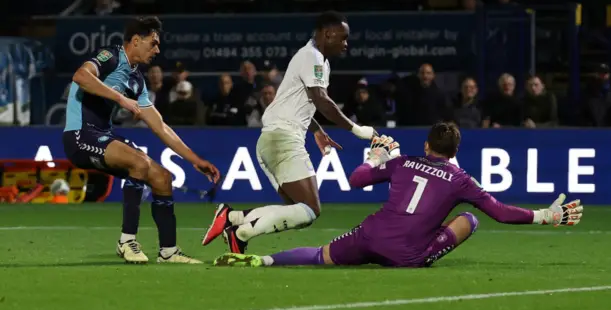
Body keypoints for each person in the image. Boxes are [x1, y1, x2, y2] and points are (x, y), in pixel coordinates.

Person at [212, 123, 583, 268]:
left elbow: (356, 180)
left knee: (321, 256)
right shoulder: (461, 180)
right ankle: (425, 255)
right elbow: (500, 212)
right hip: (406, 254)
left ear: (426, 145)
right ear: (455, 150)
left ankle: (264, 261)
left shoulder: (404, 162)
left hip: (370, 234)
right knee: (469, 219)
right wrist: (546, 215)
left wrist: (375, 157)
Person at [202, 11, 377, 253]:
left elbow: (299, 99)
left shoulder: (316, 59)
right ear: (328, 34)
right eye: (343, 38)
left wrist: (315, 129)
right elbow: (321, 99)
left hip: (273, 139)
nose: (346, 44)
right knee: (310, 209)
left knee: (298, 211)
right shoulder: (312, 57)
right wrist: (357, 130)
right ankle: (237, 225)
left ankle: (235, 224)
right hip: (283, 139)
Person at [62, 16, 220, 264]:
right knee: (140, 162)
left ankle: (168, 251)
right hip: (81, 135)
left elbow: (159, 126)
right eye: (153, 43)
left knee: (162, 178)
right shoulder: (110, 56)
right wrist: (121, 99)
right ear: (136, 41)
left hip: (104, 135)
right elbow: (81, 76)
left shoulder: (136, 80)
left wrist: (194, 160)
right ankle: (126, 241)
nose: (157, 50)